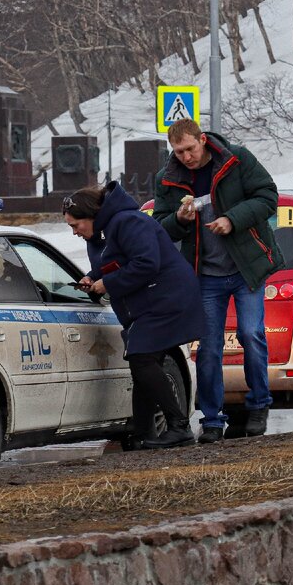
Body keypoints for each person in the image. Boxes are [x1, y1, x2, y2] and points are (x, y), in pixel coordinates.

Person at [152, 118, 283, 443]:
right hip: (205, 275)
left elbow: (268, 196)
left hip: (245, 269)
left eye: (190, 149)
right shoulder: (168, 178)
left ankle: (258, 405)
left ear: (203, 141)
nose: (186, 157)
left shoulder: (236, 159)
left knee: (251, 334)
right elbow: (160, 226)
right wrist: (179, 220)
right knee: (208, 349)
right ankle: (212, 420)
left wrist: (231, 220)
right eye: (178, 151)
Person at [64, 182, 203, 449]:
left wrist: (108, 284)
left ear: (92, 215)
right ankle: (143, 434)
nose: (75, 232)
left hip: (166, 298)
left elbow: (146, 263)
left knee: (141, 359)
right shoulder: (101, 233)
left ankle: (179, 427)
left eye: (75, 225)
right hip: (149, 303)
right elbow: (114, 263)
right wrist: (92, 277)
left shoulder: (128, 222)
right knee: (143, 364)